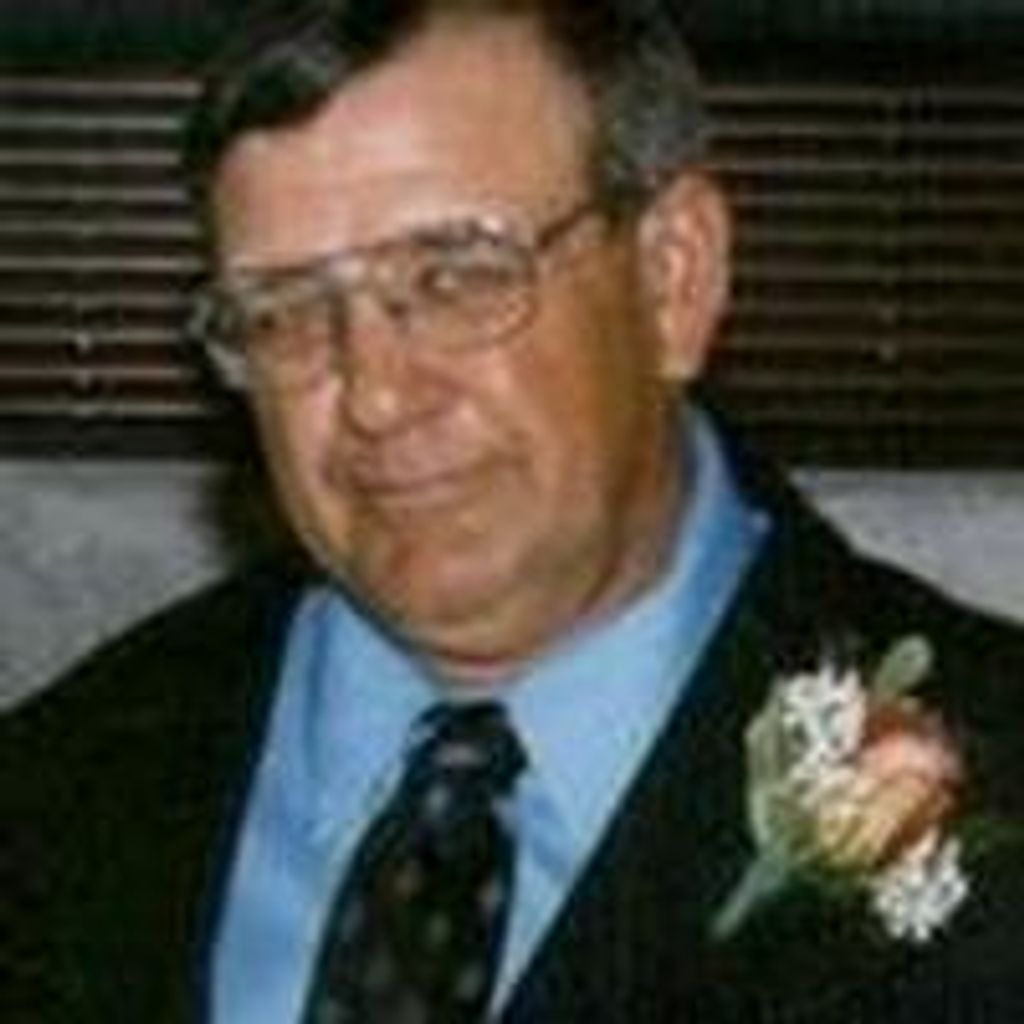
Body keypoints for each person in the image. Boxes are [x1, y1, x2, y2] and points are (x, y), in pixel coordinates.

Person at [6, 1, 1024, 1021]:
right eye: (284, 311)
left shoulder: (999, 786)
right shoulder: (60, 789)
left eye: (454, 277)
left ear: (673, 278)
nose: (376, 396)